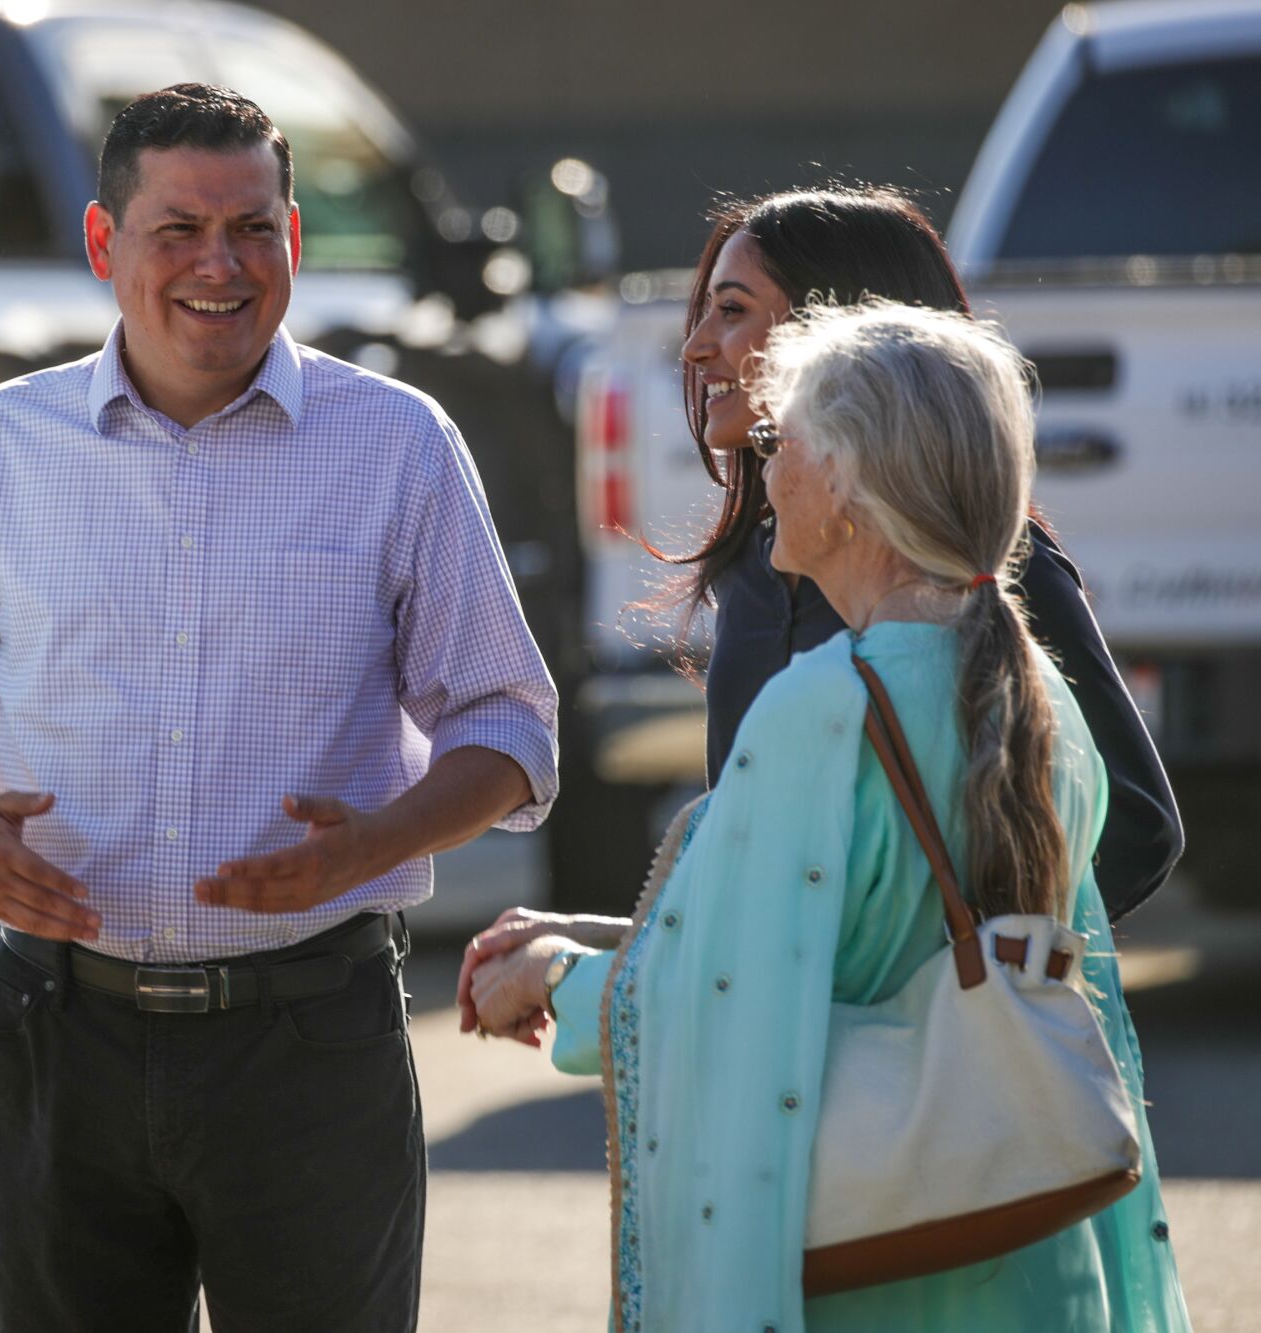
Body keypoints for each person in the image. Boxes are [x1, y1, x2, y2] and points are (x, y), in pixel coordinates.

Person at [0, 83, 557, 1331]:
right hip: (54, 1035)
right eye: (177, 229)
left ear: (292, 238)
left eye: (252, 228)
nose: (218, 266)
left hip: (309, 1040)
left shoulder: (395, 442)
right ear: (101, 244)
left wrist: (376, 842)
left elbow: (507, 723)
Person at [466, 301, 1191, 1330]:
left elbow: (723, 999)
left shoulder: (826, 705)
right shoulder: (1029, 688)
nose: (764, 472)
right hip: (1032, 1251)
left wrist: (546, 980)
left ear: (847, 485)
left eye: (782, 441)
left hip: (886, 1271)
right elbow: (869, 945)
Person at [461, 185, 1182, 1023]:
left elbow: (1134, 826)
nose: (695, 349)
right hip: (782, 1100)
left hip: (919, 1117)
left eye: (731, 312)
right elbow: (772, 905)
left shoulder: (983, 567)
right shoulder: (757, 568)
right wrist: (597, 938)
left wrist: (954, 991)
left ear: (841, 335)